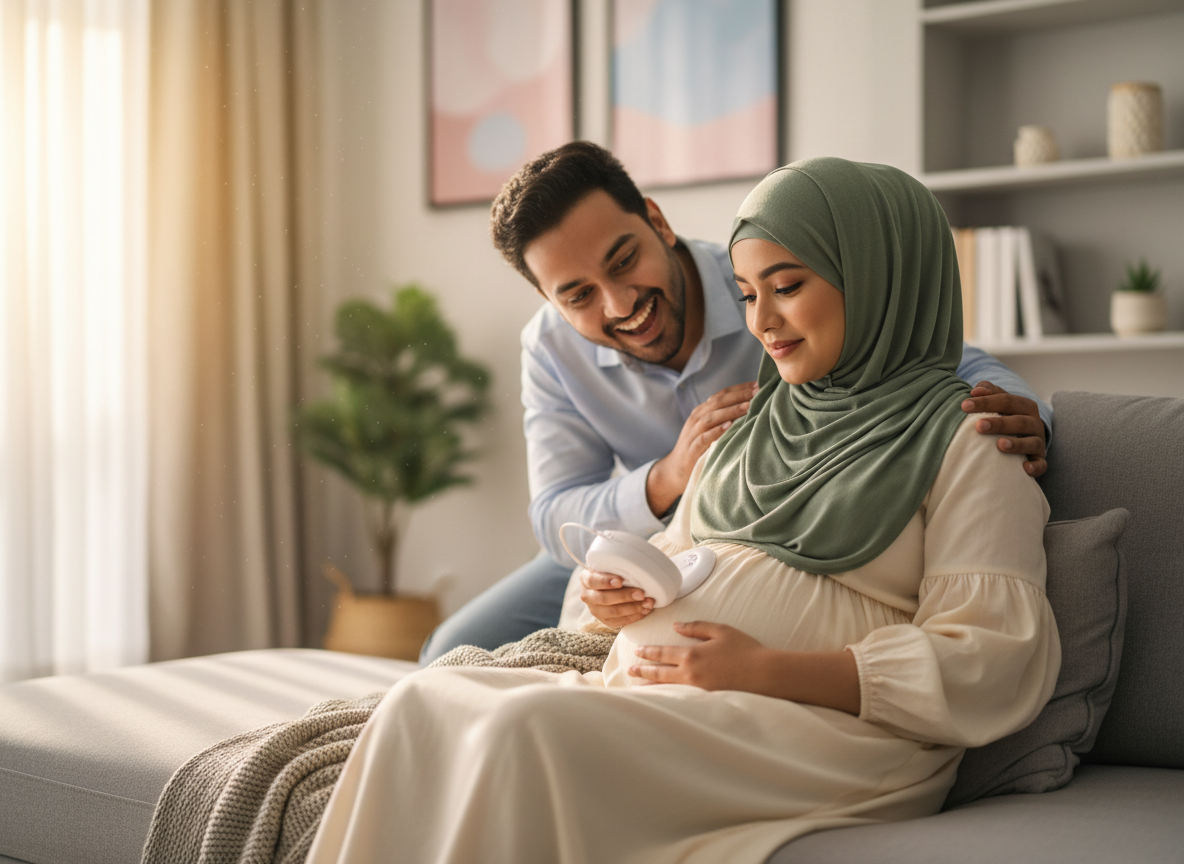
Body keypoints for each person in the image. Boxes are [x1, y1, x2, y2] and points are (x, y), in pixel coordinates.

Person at [307, 158, 1060, 864]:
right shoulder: (752, 421)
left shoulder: (969, 435)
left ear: (874, 278)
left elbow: (992, 659)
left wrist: (769, 670)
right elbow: (589, 525)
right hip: (663, 651)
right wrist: (617, 592)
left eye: (786, 287)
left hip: (823, 725)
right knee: (418, 701)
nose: (763, 323)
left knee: (520, 729)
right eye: (749, 295)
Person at [419, 142, 1052, 664]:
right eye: (578, 295)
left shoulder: (762, 274)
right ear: (549, 300)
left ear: (657, 221)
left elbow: (923, 349)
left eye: (625, 260)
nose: (620, 303)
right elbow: (556, 512)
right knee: (449, 653)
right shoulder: (551, 348)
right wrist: (669, 477)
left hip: (763, 533)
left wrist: (1024, 415)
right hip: (638, 544)